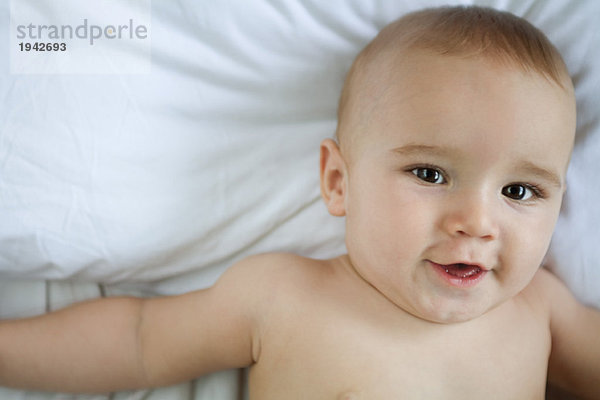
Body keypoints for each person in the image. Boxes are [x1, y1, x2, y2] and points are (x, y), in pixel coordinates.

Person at [1, 5, 599, 399]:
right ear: (339, 182)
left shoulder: (541, 311)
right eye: (430, 172)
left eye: (521, 191)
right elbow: (138, 339)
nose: (476, 221)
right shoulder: (283, 295)